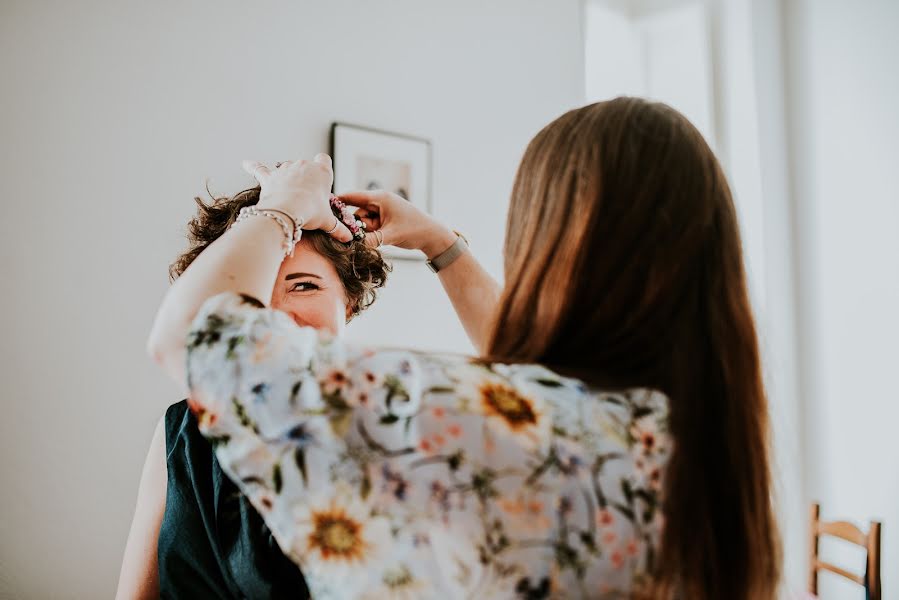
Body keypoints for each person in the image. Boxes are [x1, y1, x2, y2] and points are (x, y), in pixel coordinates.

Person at [143, 97, 781, 599]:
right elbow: (541, 372)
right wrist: (439, 243)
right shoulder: (689, 443)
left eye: (305, 283)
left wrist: (279, 208)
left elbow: (192, 337)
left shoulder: (487, 430)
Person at [117, 185, 390, 599]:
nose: (275, 315)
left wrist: (442, 246)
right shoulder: (181, 429)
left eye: (303, 286)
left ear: (348, 301)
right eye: (254, 293)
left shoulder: (389, 423)